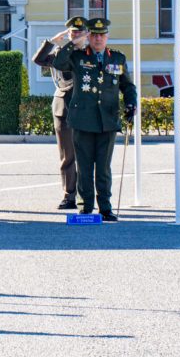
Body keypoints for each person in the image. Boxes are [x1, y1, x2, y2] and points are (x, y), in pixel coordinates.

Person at [52, 17, 137, 222]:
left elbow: (128, 86)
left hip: (107, 120)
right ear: (89, 36)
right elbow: (57, 62)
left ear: (107, 36)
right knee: (84, 165)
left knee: (104, 167)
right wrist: (73, 41)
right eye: (94, 35)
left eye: (102, 35)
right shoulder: (78, 56)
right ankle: (85, 206)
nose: (98, 39)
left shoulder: (117, 58)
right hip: (83, 120)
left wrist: (131, 104)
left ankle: (105, 207)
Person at [33, 16, 88, 210]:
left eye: (79, 33)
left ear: (87, 34)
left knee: (86, 156)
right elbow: (38, 60)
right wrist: (52, 42)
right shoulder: (60, 53)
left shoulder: (90, 54)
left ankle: (85, 196)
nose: (75, 36)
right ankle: (68, 195)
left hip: (86, 110)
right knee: (67, 157)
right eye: (72, 32)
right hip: (63, 108)